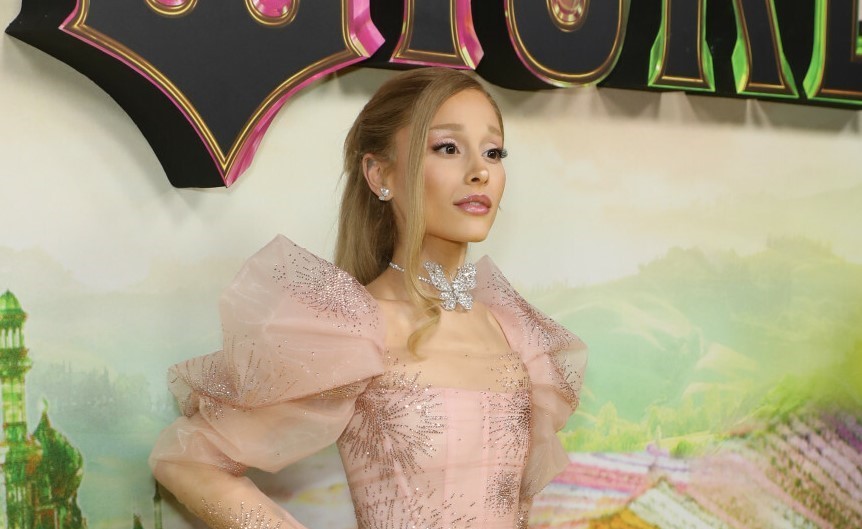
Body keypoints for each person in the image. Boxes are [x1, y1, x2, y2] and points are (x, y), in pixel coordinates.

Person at [149, 67, 588, 529]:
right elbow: (185, 460)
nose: (480, 172)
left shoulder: (515, 333)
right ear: (380, 174)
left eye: (493, 152)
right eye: (447, 147)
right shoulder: (353, 331)